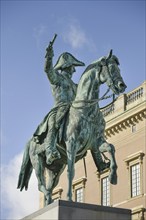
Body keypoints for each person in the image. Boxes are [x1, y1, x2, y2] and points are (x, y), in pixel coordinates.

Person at [33, 39, 85, 165]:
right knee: (54, 124)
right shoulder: (58, 78)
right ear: (67, 66)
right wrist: (49, 56)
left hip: (73, 109)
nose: (74, 70)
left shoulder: (74, 85)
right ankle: (50, 151)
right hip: (59, 108)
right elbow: (48, 70)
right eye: (73, 66)